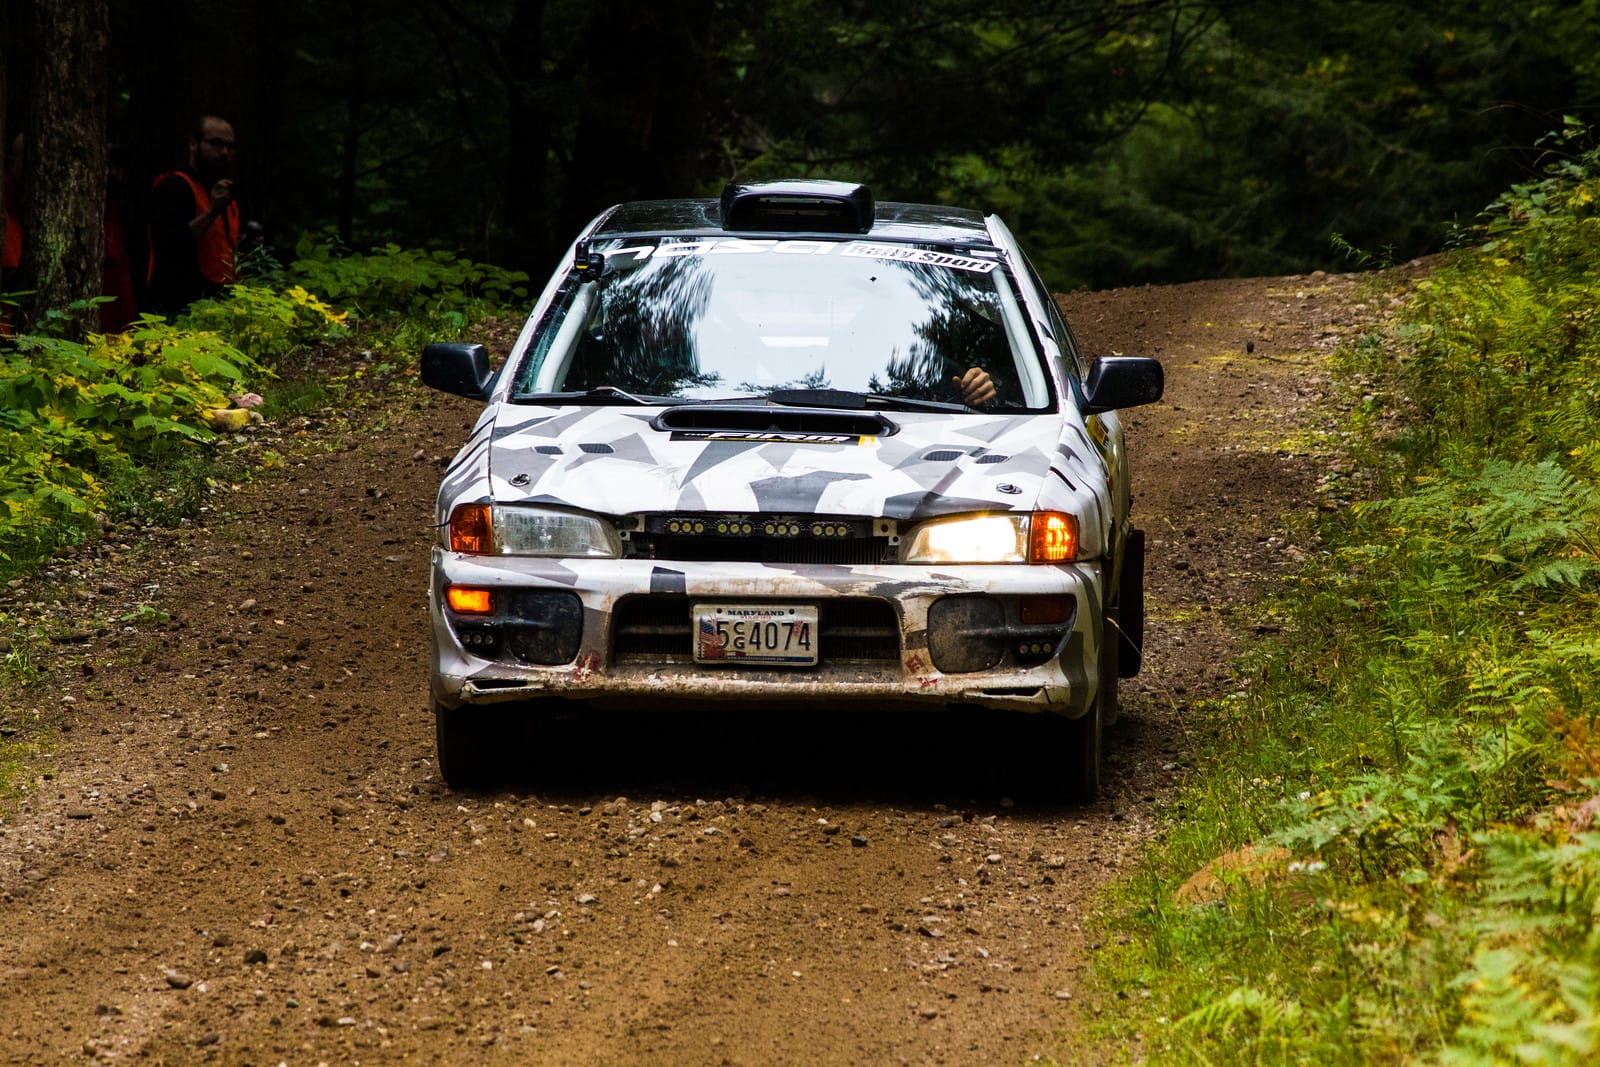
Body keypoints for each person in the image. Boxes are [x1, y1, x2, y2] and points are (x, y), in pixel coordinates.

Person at [145, 115, 240, 317]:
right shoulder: (174, 186)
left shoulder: (224, 194)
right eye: (215, 144)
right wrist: (212, 212)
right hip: (177, 306)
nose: (224, 152)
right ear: (193, 144)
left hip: (218, 304)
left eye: (230, 147)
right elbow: (170, 244)